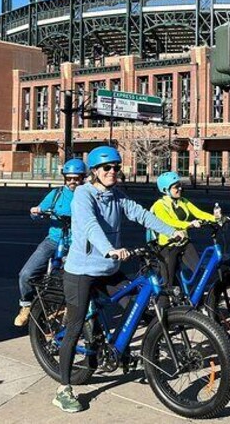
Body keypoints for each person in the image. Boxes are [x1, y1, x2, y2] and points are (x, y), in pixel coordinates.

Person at [53, 146, 182, 413]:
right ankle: (63, 389)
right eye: (106, 168)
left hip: (109, 270)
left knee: (135, 305)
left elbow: (141, 214)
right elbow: (90, 226)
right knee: (75, 326)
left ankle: (117, 350)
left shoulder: (116, 196)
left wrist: (172, 231)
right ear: (95, 172)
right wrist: (108, 249)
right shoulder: (83, 195)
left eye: (116, 168)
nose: (112, 172)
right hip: (82, 271)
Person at [14, 158, 87, 327]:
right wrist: (36, 211)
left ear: (83, 178)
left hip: (77, 243)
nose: (72, 182)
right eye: (69, 178)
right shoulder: (56, 194)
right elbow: (39, 210)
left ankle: (70, 311)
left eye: (76, 178)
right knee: (26, 274)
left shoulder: (86, 195)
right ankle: (26, 305)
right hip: (54, 239)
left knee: (72, 280)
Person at [148, 171, 219, 288]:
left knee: (199, 272)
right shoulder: (159, 205)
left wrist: (217, 219)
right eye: (176, 187)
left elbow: (199, 213)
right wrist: (189, 224)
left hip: (184, 242)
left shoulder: (183, 201)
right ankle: (162, 304)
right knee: (168, 283)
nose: (180, 189)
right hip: (167, 246)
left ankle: (198, 299)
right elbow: (169, 222)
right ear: (166, 189)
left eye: (180, 185)